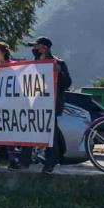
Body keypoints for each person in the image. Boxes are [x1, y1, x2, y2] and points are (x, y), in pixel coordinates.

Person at [27, 36, 72, 173]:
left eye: (36, 46)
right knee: (28, 131)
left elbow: (67, 84)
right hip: (35, 103)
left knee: (50, 134)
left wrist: (59, 72)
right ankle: (26, 160)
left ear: (44, 47)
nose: (34, 48)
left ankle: (50, 163)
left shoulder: (57, 62)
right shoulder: (33, 63)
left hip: (51, 103)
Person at [0, 41, 32, 170]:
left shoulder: (13, 66)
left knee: (8, 133)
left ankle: (13, 159)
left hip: (9, 105)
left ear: (3, 52)